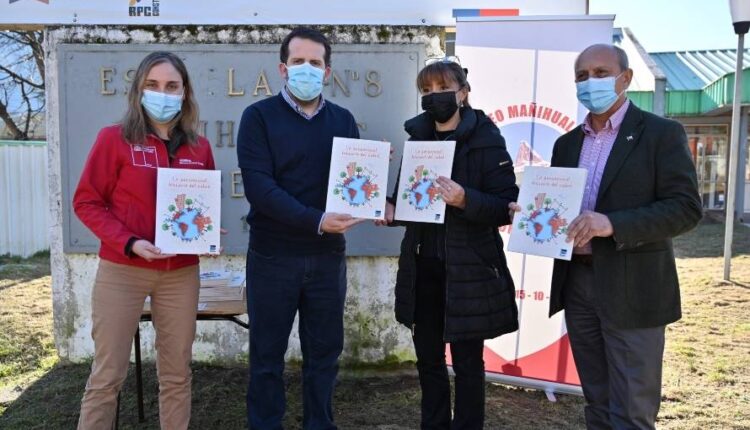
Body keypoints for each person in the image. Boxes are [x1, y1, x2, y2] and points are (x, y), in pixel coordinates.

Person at [528, 44, 702, 429]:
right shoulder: (566, 144)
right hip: (578, 283)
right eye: (582, 75)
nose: (591, 81)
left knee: (632, 409)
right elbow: (562, 207)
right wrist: (534, 215)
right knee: (597, 402)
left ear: (625, 78)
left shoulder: (661, 134)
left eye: (601, 72)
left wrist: (612, 224)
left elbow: (686, 208)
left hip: (634, 287)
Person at [73, 51, 216, 429]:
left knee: (176, 374)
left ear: (185, 93)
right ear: (139, 90)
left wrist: (207, 231)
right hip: (123, 270)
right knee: (107, 376)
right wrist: (130, 241)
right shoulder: (114, 140)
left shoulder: (199, 148)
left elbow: (202, 206)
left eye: (172, 86)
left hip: (180, 274)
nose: (162, 93)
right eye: (152, 85)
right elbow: (86, 202)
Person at [378, 59, 519, 429]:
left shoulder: (487, 138)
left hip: (468, 270)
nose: (434, 97)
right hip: (422, 268)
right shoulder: (417, 140)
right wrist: (390, 210)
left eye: (442, 88)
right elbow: (406, 202)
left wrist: (464, 200)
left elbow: (505, 205)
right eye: (426, 91)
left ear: (463, 93)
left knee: (468, 362)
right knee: (428, 360)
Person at [236, 27, 363, 429]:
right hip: (273, 257)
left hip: (327, 259)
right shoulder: (258, 117)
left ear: (327, 72)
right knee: (266, 358)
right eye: (298, 62)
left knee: (324, 357)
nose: (306, 69)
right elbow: (261, 188)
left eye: (315, 62)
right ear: (282, 68)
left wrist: (370, 177)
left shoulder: (343, 120)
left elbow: (352, 186)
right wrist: (317, 220)